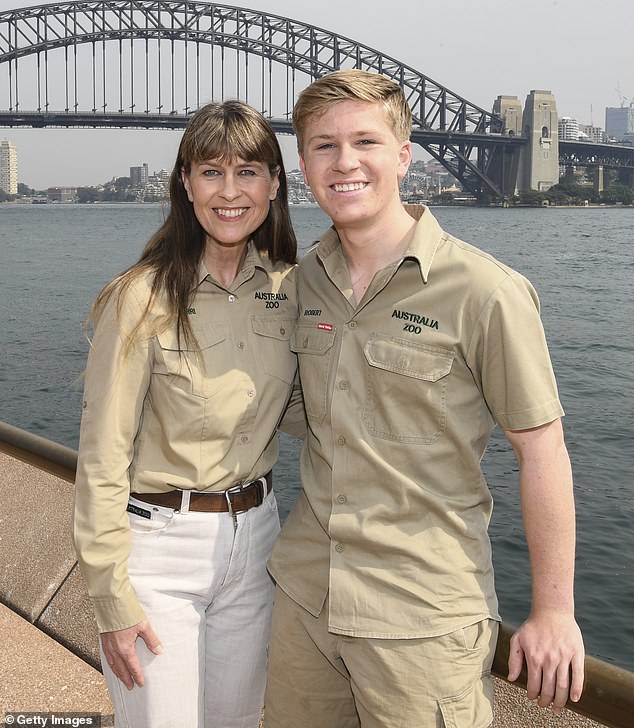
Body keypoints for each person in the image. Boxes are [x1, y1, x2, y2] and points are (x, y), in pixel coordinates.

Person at [264, 69, 585, 728]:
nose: (345, 162)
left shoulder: (486, 292)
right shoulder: (302, 286)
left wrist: (554, 611)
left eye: (366, 142)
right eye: (324, 146)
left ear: (404, 155)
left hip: (421, 622)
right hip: (304, 600)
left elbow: (543, 450)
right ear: (303, 164)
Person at [73, 99, 304, 728]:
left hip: (257, 545)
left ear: (275, 184)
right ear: (185, 182)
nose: (230, 193)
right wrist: (110, 595)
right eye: (211, 172)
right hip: (160, 553)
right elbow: (101, 459)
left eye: (249, 172)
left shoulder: (292, 292)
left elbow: (322, 410)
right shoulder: (140, 298)